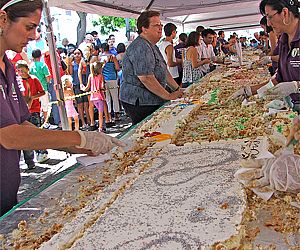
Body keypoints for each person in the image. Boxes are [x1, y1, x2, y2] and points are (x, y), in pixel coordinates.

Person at [0, 0, 124, 216]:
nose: (34, 36)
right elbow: (10, 136)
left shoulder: (8, 66)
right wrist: (78, 138)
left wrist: (74, 145)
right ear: (2, 20)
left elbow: (22, 123)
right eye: (29, 27)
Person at [231, 0, 300, 111]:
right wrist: (249, 91)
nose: (268, 24)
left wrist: (296, 86)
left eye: (269, 17)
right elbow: (278, 78)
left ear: (285, 13)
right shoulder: (284, 40)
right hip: (293, 106)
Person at [119, 11, 183, 125]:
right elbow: (146, 77)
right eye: (156, 25)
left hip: (151, 99)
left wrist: (177, 89)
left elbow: (163, 70)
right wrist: (168, 96)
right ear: (144, 29)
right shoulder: (140, 46)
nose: (160, 29)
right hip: (140, 102)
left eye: (161, 25)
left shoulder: (152, 45)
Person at [16, 60, 49, 163]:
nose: (21, 73)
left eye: (23, 70)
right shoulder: (18, 82)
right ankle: (29, 160)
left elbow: (42, 92)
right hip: (22, 111)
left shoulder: (34, 79)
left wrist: (32, 98)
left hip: (34, 109)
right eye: (19, 71)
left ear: (27, 70)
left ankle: (42, 153)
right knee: (25, 135)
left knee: (36, 131)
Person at [84, 62, 109, 132]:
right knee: (100, 113)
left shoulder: (90, 76)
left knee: (99, 111)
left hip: (93, 97)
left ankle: (101, 126)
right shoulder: (101, 76)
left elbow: (87, 87)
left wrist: (83, 88)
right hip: (100, 97)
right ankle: (100, 127)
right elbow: (102, 86)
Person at [100, 42, 121, 121]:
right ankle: (116, 114)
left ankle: (109, 114)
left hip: (104, 79)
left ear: (101, 49)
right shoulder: (112, 56)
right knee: (115, 97)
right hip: (112, 78)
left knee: (107, 98)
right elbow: (117, 67)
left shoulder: (100, 57)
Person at [30, 49, 51, 125]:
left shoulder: (30, 66)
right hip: (43, 88)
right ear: (40, 56)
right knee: (45, 106)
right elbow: (48, 78)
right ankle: (46, 122)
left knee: (36, 106)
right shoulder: (43, 65)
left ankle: (38, 122)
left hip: (34, 90)